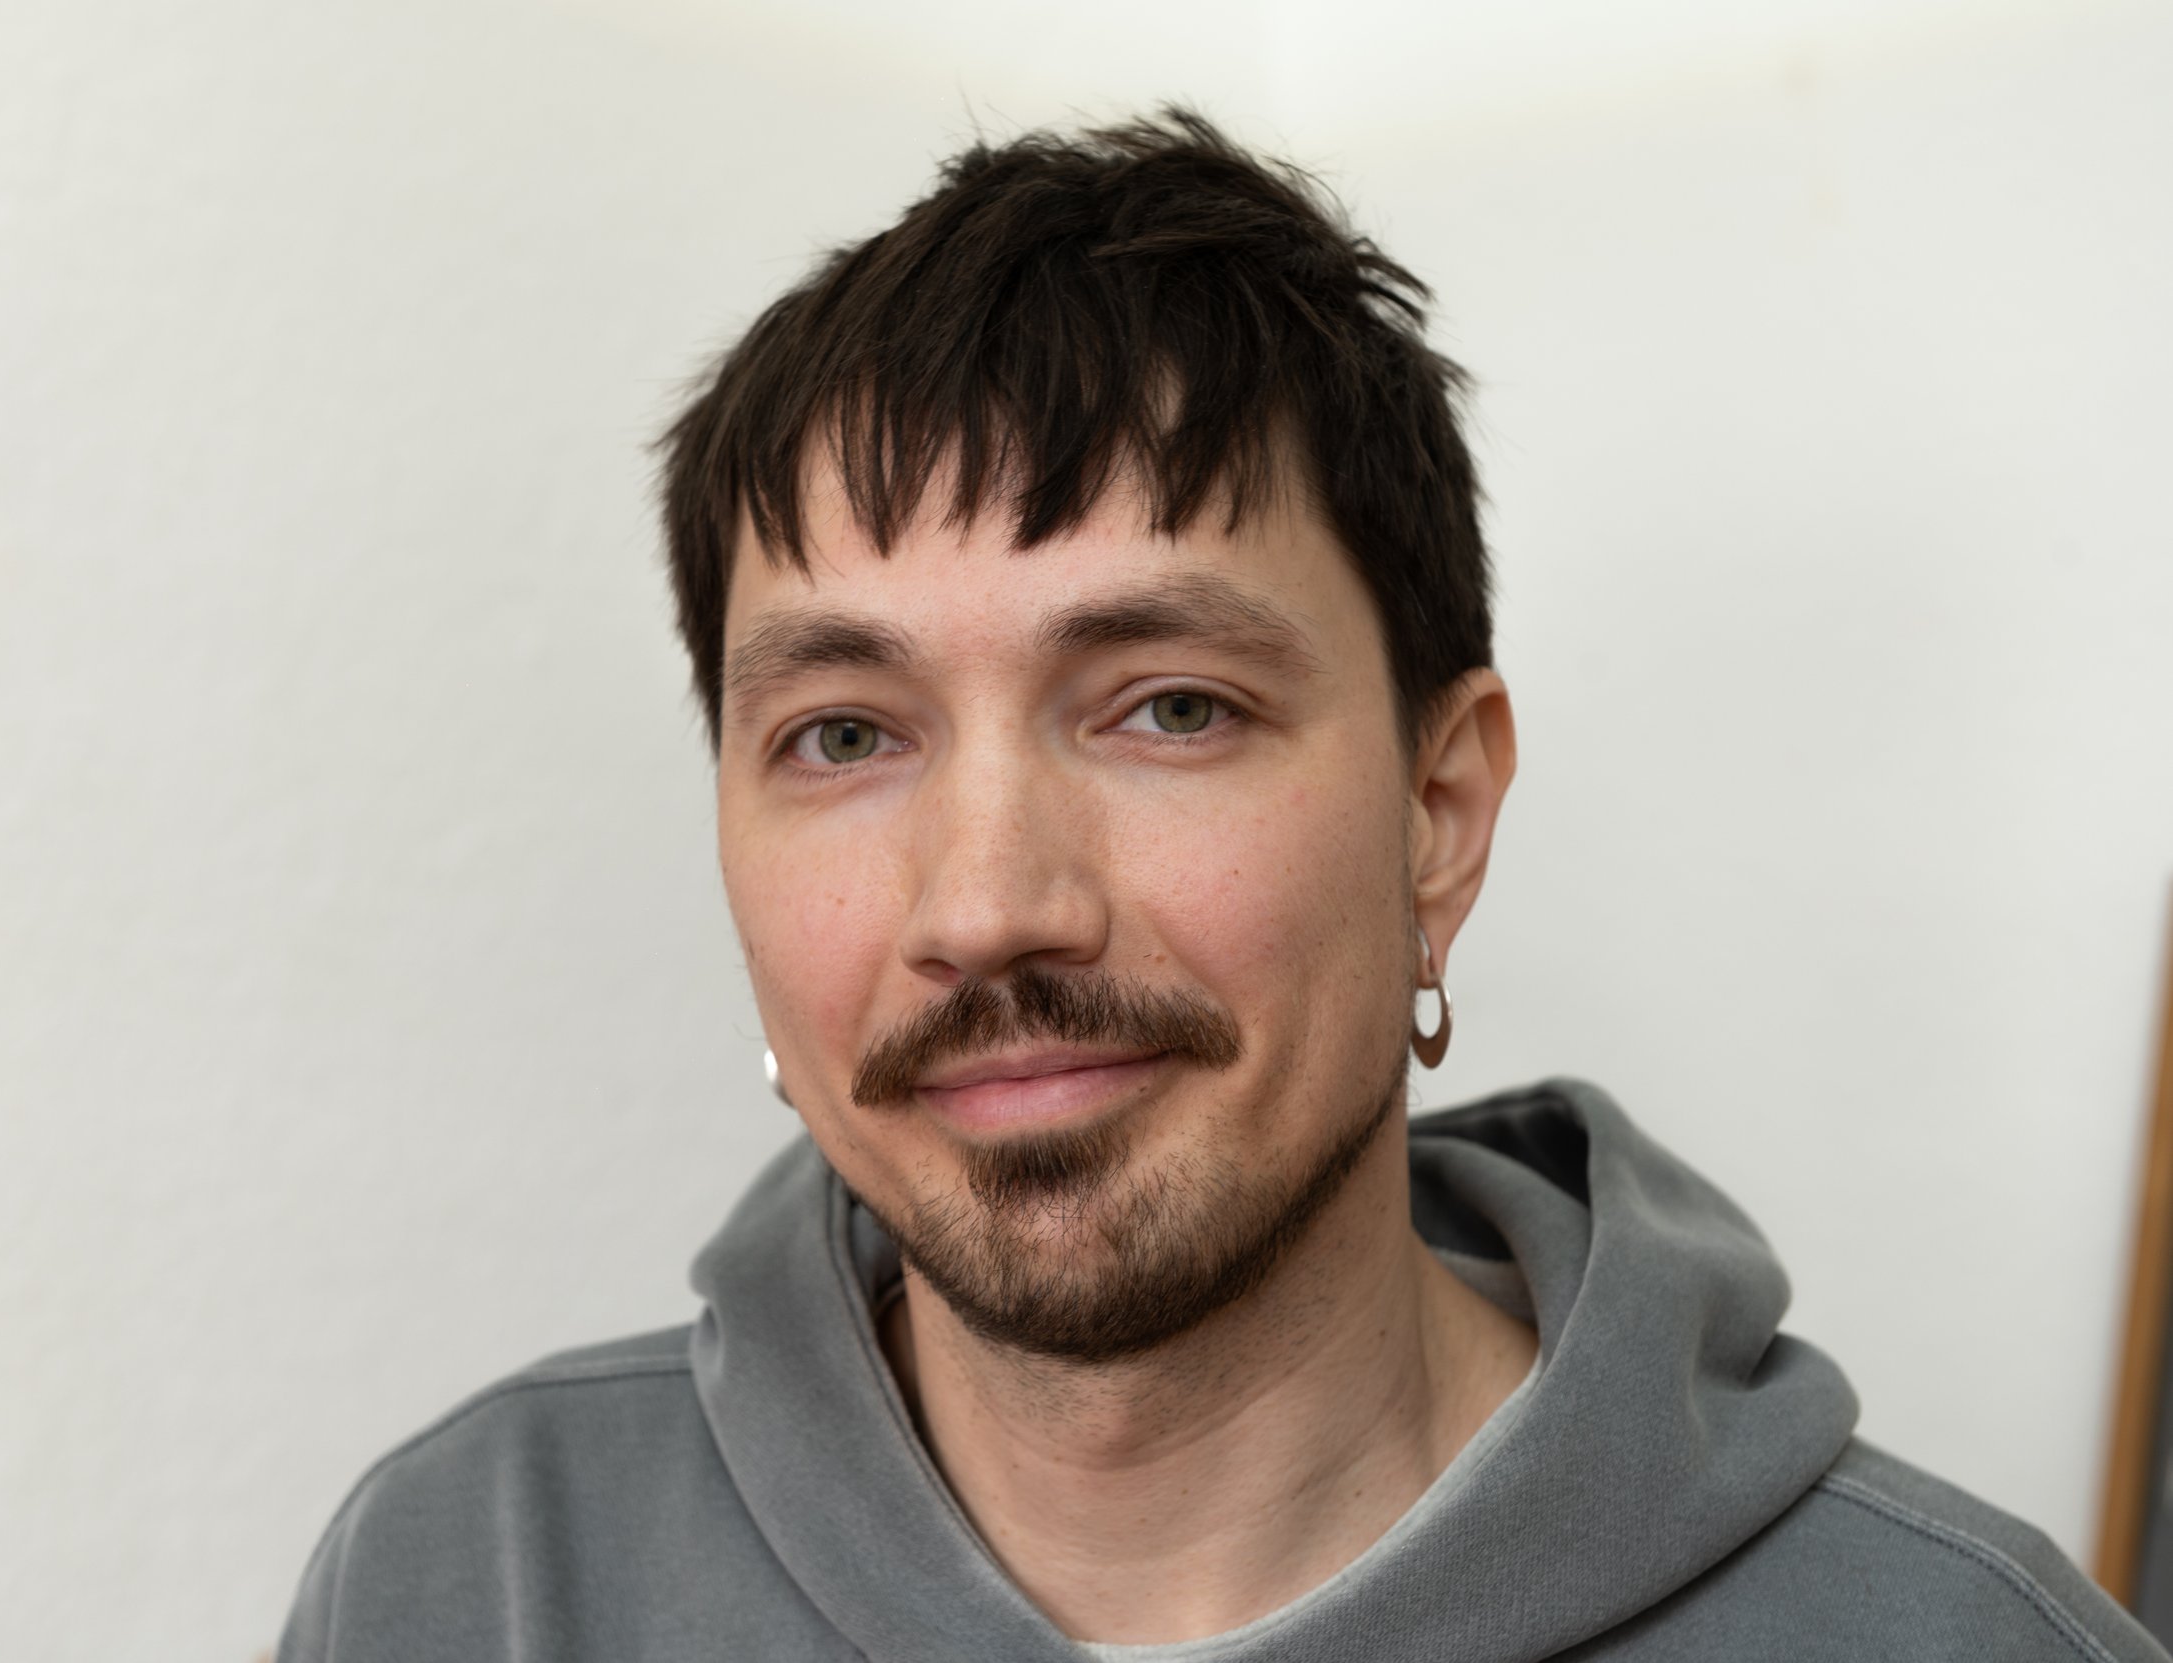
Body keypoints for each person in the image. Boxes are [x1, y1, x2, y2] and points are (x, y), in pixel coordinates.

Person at [277, 109, 2163, 1661]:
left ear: (1438, 813)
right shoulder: (469, 1585)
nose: (987, 905)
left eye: (1169, 707)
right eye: (845, 734)